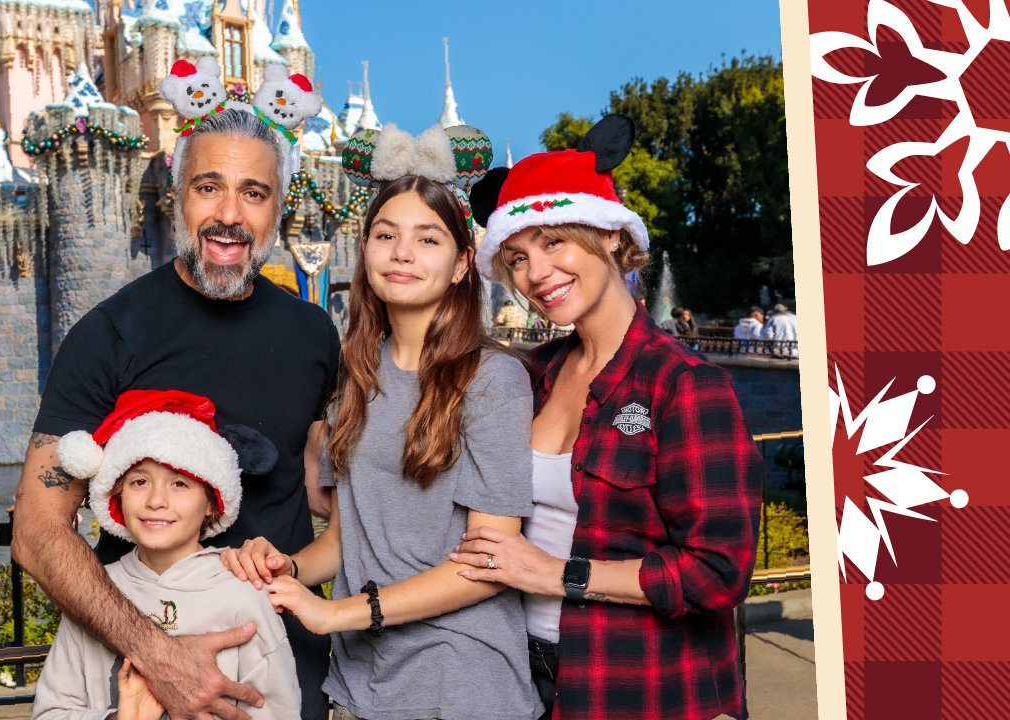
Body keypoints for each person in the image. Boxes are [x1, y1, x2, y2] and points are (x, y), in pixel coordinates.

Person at [11, 61, 336, 720]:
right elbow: (36, 531)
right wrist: (159, 656)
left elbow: (326, 491)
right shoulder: (110, 334)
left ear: (279, 206)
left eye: (253, 193)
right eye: (208, 187)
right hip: (139, 682)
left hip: (282, 676)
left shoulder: (313, 333)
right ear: (176, 194)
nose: (228, 215)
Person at [223, 122, 543, 720]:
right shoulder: (356, 377)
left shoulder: (492, 380)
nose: (402, 252)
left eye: (428, 238)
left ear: (461, 264)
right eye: (386, 234)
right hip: (361, 682)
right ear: (365, 249)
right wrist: (289, 567)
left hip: (457, 681)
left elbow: (490, 565)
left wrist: (337, 613)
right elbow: (347, 539)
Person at [453, 114, 764, 720]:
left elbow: (719, 573)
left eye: (553, 242)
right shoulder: (533, 373)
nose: (535, 273)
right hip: (520, 676)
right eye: (516, 257)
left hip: (640, 686)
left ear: (613, 237)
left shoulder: (685, 385)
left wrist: (559, 575)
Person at [31, 390, 300, 720]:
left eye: (180, 484)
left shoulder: (243, 594)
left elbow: (279, 711)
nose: (156, 500)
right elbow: (50, 713)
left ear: (212, 501)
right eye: (139, 481)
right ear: (116, 493)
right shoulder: (92, 592)